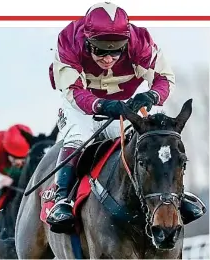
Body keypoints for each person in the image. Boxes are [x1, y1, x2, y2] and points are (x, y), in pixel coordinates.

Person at [46, 2, 206, 232]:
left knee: (154, 138)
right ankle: (61, 200)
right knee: (79, 136)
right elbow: (72, 90)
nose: (109, 58)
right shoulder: (68, 41)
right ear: (86, 39)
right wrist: (101, 104)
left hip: (123, 103)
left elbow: (164, 78)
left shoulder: (141, 42)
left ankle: (175, 195)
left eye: (116, 49)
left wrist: (151, 95)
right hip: (80, 104)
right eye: (100, 49)